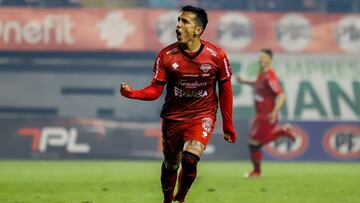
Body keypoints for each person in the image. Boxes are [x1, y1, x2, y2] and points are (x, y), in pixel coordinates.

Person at [120, 5, 237, 203]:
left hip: (202, 115)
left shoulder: (217, 56)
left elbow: (225, 90)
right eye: (178, 21)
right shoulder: (165, 55)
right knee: (171, 165)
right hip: (173, 118)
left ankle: (181, 196)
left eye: (184, 22)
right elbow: (155, 90)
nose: (178, 26)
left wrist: (228, 124)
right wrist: (133, 93)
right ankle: (167, 200)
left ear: (198, 30)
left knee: (190, 159)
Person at [236, 48, 296, 178]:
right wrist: (243, 82)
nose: (261, 59)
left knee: (254, 143)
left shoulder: (270, 76)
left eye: (263, 57)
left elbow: (281, 95)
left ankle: (283, 132)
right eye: (260, 57)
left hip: (267, 115)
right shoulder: (261, 73)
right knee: (256, 143)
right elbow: (257, 84)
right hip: (260, 114)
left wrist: (274, 112)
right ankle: (257, 171)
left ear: (269, 59)